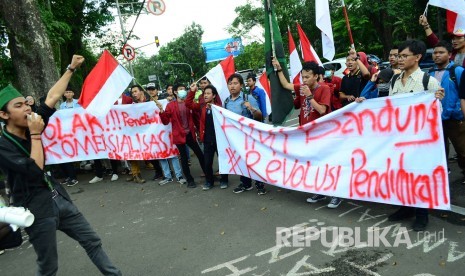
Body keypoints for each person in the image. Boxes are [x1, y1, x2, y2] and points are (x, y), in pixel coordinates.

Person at [0, 55, 121, 275]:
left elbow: (52, 96)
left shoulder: (32, 122)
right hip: (35, 209)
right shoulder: (3, 146)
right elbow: (35, 170)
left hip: (58, 197)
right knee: (48, 266)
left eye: (26, 104)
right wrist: (36, 134)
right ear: (3, 114)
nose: (27, 109)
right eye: (18, 106)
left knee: (92, 241)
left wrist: (71, 68)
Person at [358, 40, 444, 231]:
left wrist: (437, 101)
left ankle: (422, 215)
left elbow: (437, 113)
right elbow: (389, 107)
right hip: (398, 139)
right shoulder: (395, 81)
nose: (400, 59)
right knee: (401, 175)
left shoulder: (428, 81)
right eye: (399, 56)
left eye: (404, 56)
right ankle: (406, 208)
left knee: (418, 176)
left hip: (419, 139)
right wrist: (366, 103)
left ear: (418, 57)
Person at [272, 59, 341, 208]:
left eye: (307, 77)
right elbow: (286, 85)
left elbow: (322, 110)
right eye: (303, 77)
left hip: (321, 134)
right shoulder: (303, 87)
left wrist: (309, 96)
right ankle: (320, 191)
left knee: (327, 165)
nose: (304, 80)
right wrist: (278, 69)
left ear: (316, 76)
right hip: (306, 135)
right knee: (314, 164)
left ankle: (337, 194)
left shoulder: (324, 89)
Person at [223, 73, 267, 195]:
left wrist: (251, 108)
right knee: (241, 160)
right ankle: (245, 183)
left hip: (249, 137)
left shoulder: (248, 98)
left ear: (241, 85)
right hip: (235, 138)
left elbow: (259, 116)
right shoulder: (226, 102)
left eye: (235, 83)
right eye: (230, 83)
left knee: (254, 160)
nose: (232, 86)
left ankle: (259, 183)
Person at [429, 40, 465, 184]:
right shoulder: (430, 72)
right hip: (436, 119)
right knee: (439, 149)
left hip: (456, 118)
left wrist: (456, 110)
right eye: (435, 53)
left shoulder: (457, 71)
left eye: (441, 52)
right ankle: (442, 175)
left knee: (462, 148)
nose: (437, 55)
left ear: (450, 54)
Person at [159, 87, 206, 188]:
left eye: (183, 89)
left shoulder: (189, 103)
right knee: (184, 158)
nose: (182, 91)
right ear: (176, 92)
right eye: (180, 89)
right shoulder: (171, 105)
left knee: (200, 154)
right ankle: (189, 179)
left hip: (190, 134)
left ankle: (208, 174)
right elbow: (165, 121)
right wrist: (162, 111)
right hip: (179, 135)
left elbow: (197, 111)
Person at [186, 83, 227, 190]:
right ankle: (209, 182)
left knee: (222, 161)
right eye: (205, 93)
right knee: (207, 163)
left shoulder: (219, 107)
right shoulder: (201, 106)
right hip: (207, 140)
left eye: (208, 93)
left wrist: (213, 108)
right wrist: (192, 91)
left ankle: (224, 180)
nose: (205, 95)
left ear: (214, 96)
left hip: (219, 140)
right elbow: (188, 103)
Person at [149, 83, 187, 186]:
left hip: (168, 131)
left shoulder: (166, 100)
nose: (151, 92)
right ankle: (167, 176)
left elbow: (167, 117)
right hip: (155, 134)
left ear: (157, 90)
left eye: (153, 89)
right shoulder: (146, 103)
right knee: (161, 155)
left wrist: (163, 106)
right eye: (149, 90)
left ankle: (179, 175)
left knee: (173, 154)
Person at [125, 85, 163, 183]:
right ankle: (158, 171)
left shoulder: (150, 102)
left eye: (135, 91)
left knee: (158, 151)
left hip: (154, 130)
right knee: (150, 153)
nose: (134, 94)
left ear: (141, 91)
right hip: (142, 133)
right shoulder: (133, 105)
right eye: (132, 92)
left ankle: (166, 171)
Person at [58, 87, 80, 187]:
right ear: (64, 94)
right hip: (68, 132)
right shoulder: (62, 106)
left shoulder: (78, 103)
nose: (68, 94)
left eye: (70, 92)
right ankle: (71, 176)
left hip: (79, 130)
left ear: (73, 93)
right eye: (66, 92)